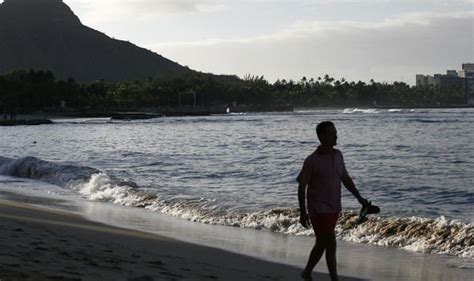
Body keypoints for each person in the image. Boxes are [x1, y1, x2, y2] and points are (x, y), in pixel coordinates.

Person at [297, 121, 369, 281]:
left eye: (335, 132)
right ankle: (331, 278)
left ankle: (308, 272)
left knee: (326, 243)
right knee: (327, 241)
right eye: (332, 133)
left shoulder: (338, 155)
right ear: (322, 137)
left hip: (334, 207)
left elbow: (345, 178)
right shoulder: (312, 160)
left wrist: (359, 197)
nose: (336, 136)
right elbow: (302, 186)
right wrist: (303, 212)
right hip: (317, 208)